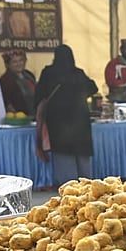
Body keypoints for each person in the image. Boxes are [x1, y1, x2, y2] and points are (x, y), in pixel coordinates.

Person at [35, 45, 98, 186]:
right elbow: (94, 88)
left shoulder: (48, 73)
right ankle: (87, 191)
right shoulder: (78, 73)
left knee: (64, 160)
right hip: (81, 122)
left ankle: (69, 192)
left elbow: (39, 95)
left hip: (58, 124)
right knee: (83, 161)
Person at [0, 49, 38, 116]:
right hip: (19, 118)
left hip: (34, 115)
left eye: (21, 60)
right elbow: (7, 102)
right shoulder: (5, 80)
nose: (19, 64)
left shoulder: (29, 75)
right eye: (14, 62)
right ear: (8, 64)